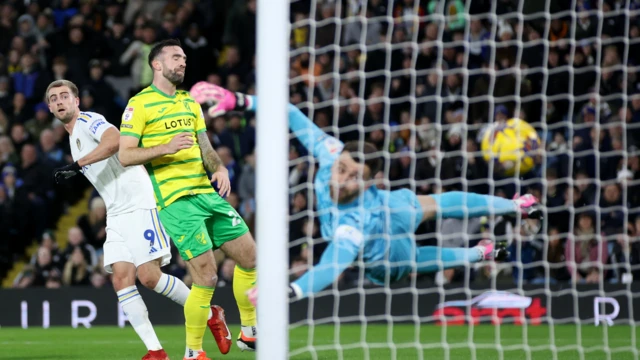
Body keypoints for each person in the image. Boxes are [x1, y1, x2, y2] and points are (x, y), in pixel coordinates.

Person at [189, 82, 543, 302]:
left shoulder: (353, 223)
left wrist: (290, 291)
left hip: (385, 249)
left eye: (354, 176)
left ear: (370, 181)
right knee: (431, 215)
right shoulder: (330, 153)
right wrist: (239, 100)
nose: (343, 178)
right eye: (343, 169)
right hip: (390, 207)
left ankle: (512, 210)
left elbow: (331, 266)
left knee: (422, 241)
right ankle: (483, 247)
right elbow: (291, 113)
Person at [47, 80, 231, 360]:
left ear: (77, 101)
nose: (60, 101)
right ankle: (155, 351)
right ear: (50, 107)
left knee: (149, 276)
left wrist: (78, 165)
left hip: (140, 203)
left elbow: (116, 141)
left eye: (64, 96)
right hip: (117, 212)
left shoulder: (89, 120)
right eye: (54, 98)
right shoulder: (73, 139)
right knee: (121, 279)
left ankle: (210, 313)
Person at [118, 40, 258, 360]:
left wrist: (219, 167)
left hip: (207, 194)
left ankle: (249, 332)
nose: (183, 63)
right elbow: (125, 155)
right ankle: (193, 352)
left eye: (184, 58)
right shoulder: (139, 105)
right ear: (157, 64)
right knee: (206, 275)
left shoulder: (189, 103)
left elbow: (204, 146)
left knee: (250, 257)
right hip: (175, 200)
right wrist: (163, 148)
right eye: (176, 57)